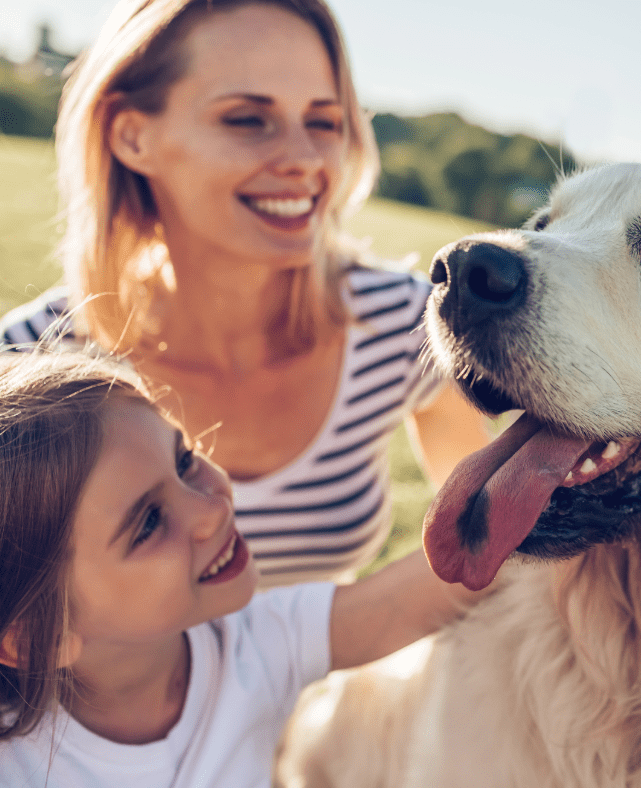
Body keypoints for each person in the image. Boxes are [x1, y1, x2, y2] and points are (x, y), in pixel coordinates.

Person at [0, 0, 493, 587]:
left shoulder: (408, 323)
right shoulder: (28, 365)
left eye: (324, 122)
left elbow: (487, 553)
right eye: (246, 119)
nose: (306, 160)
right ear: (131, 136)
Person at [0, 349, 482, 786]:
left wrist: (535, 485)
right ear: (35, 635)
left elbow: (415, 596)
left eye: (184, 459)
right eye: (148, 523)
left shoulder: (254, 645)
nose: (212, 510)